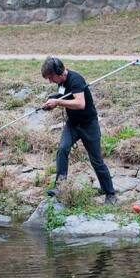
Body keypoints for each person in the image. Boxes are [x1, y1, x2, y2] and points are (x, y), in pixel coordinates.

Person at [41, 57, 117, 205]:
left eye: (51, 77)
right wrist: (53, 101)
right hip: (73, 124)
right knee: (62, 149)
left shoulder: (76, 79)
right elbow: (66, 95)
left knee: (96, 160)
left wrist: (58, 102)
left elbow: (80, 103)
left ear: (59, 72)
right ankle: (60, 187)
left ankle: (110, 194)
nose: (50, 81)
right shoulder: (61, 81)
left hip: (89, 125)